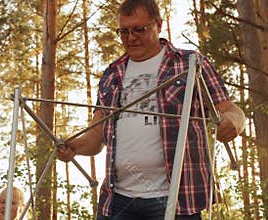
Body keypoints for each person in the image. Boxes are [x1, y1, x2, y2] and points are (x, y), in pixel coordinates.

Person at [57, 0, 245, 219]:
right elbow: (96, 135)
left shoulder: (190, 63)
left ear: (159, 24)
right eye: (124, 31)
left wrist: (233, 123)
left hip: (176, 198)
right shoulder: (112, 73)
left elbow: (231, 110)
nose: (131, 37)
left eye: (139, 29)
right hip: (118, 200)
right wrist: (74, 146)